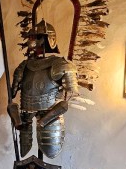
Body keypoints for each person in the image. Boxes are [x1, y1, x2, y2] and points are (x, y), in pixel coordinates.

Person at [7, 21, 77, 159]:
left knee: (48, 153)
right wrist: (16, 120)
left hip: (50, 117)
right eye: (31, 37)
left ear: (48, 39)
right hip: (25, 118)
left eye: (36, 37)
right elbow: (12, 96)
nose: (32, 41)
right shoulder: (24, 66)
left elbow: (67, 99)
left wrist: (44, 119)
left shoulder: (60, 64)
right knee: (24, 155)